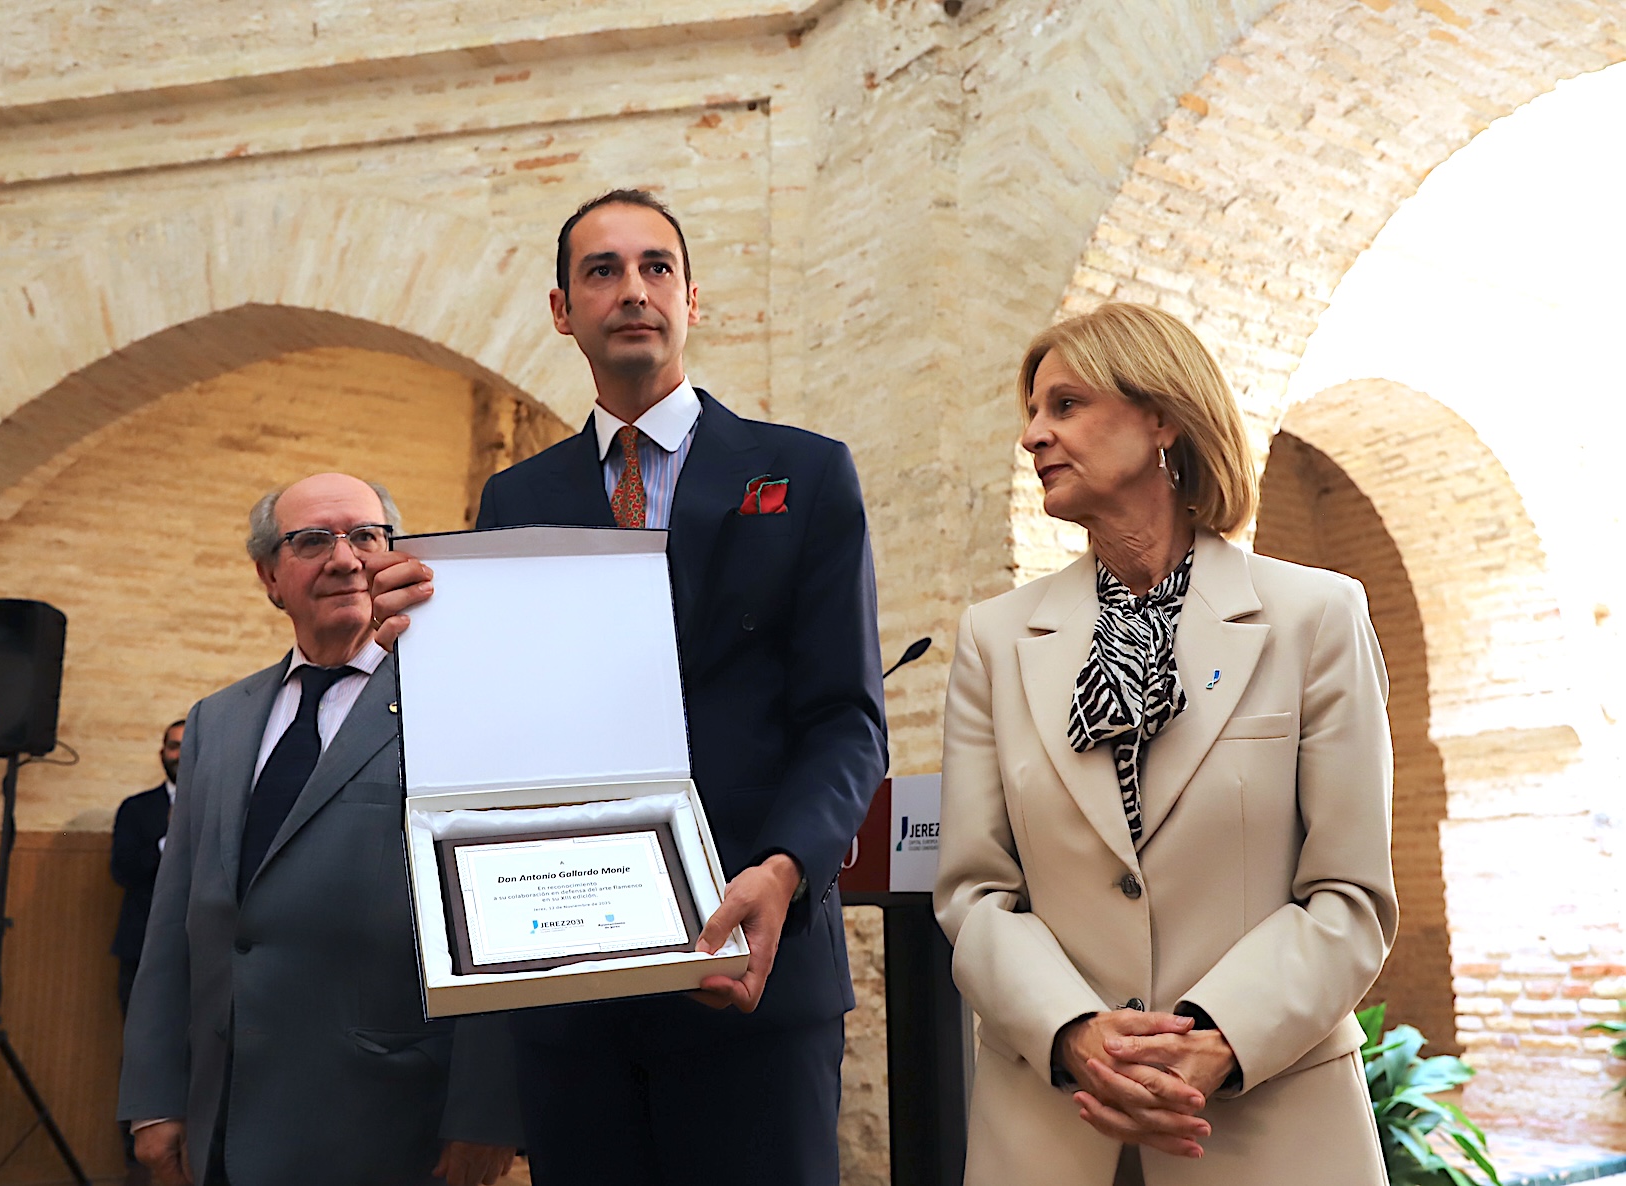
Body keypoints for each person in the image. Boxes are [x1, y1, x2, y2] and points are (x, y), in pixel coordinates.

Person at [367, 189, 888, 1186]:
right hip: (571, 984)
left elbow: (847, 721)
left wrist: (782, 872)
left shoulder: (805, 473)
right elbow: (511, 723)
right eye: (600, 271)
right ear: (562, 311)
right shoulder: (517, 497)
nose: (632, 290)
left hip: (752, 962)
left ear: (694, 297)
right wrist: (425, 652)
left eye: (655, 267)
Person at [934, 302, 1397, 1186]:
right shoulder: (994, 640)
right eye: (1031, 413)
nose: (1033, 435)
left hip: (1264, 1126)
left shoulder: (1314, 617)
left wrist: (1220, 1037)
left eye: (1064, 405)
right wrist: (1074, 1032)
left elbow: (1351, 897)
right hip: (1050, 1122)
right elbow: (974, 893)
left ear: (1161, 420)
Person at [118, 473, 521, 1186]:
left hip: (390, 1120)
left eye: (366, 536)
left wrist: (486, 1114)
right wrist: (153, 1098)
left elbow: (496, 910)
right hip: (225, 1116)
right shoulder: (218, 718)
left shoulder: (458, 699)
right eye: (310, 541)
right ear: (270, 576)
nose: (344, 558)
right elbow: (176, 918)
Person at [111, 720, 184, 1015]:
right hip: (144, 946)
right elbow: (122, 871)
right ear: (162, 753)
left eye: (189, 747)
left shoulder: (224, 808)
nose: (181, 754)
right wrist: (168, 842)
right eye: (174, 746)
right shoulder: (136, 808)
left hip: (202, 951)